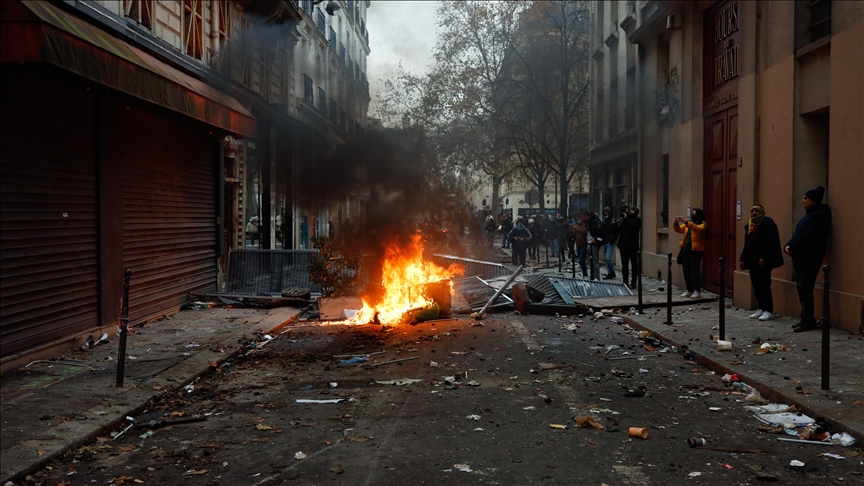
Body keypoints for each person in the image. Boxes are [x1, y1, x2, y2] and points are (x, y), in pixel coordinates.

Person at [784, 186, 832, 333]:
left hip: (810, 258)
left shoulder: (819, 216)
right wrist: (788, 245)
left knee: (805, 288)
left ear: (814, 200)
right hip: (801, 258)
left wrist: (792, 247)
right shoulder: (808, 216)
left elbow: (809, 236)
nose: (802, 201)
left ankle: (808, 320)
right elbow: (798, 235)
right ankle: (806, 318)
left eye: (806, 198)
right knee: (801, 288)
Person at [739, 205, 784, 321]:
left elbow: (772, 242)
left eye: (757, 211)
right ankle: (761, 307)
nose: (754, 213)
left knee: (764, 284)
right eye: (752, 211)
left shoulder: (768, 224)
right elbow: (746, 244)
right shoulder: (750, 226)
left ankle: (768, 309)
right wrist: (743, 258)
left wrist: (764, 257)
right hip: (752, 261)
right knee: (756, 284)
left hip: (763, 261)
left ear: (762, 212)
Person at [674, 208, 708, 298]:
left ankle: (697, 290)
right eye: (693, 213)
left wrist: (687, 223)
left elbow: (697, 229)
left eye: (695, 213)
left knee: (695, 271)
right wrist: (676, 223)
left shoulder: (702, 225)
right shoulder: (688, 224)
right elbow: (679, 230)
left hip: (696, 251)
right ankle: (689, 289)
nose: (693, 215)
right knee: (686, 270)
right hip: (686, 250)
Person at [617, 207, 641, 289]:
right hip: (623, 246)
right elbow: (620, 230)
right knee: (624, 265)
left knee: (634, 265)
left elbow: (633, 227)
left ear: (636, 212)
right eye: (630, 210)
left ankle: (633, 283)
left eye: (633, 210)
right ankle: (625, 282)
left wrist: (626, 219)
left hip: (632, 246)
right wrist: (615, 224)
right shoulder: (625, 220)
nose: (631, 211)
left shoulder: (637, 220)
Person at [586, 210, 605, 280]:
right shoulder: (589, 222)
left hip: (594, 242)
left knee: (594, 261)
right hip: (590, 242)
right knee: (591, 260)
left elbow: (600, 232)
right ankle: (593, 275)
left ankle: (596, 277)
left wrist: (596, 239)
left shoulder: (595, 222)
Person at [601, 207, 619, 279]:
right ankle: (609, 273)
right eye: (604, 212)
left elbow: (616, 231)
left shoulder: (613, 221)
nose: (605, 214)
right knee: (607, 259)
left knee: (608, 258)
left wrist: (612, 240)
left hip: (609, 242)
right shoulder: (603, 222)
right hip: (604, 242)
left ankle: (612, 271)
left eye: (607, 212)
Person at [573, 210, 589, 277]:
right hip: (578, 245)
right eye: (577, 217)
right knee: (581, 261)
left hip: (583, 245)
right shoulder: (577, 225)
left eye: (579, 217)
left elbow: (584, 233)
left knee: (581, 261)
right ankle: (584, 274)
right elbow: (575, 235)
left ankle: (585, 275)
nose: (578, 219)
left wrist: (575, 229)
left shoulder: (585, 225)